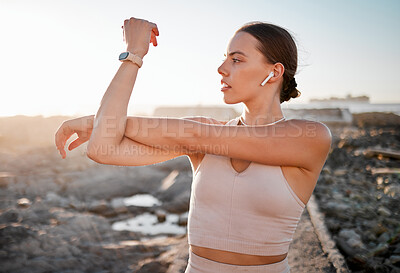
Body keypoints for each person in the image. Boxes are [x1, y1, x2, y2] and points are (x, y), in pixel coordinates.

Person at [55, 17, 331, 273]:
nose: (221, 69)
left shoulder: (309, 137)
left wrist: (99, 121)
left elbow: (196, 136)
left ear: (274, 72)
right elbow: (102, 149)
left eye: (236, 60)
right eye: (225, 58)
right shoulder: (204, 133)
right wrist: (133, 56)